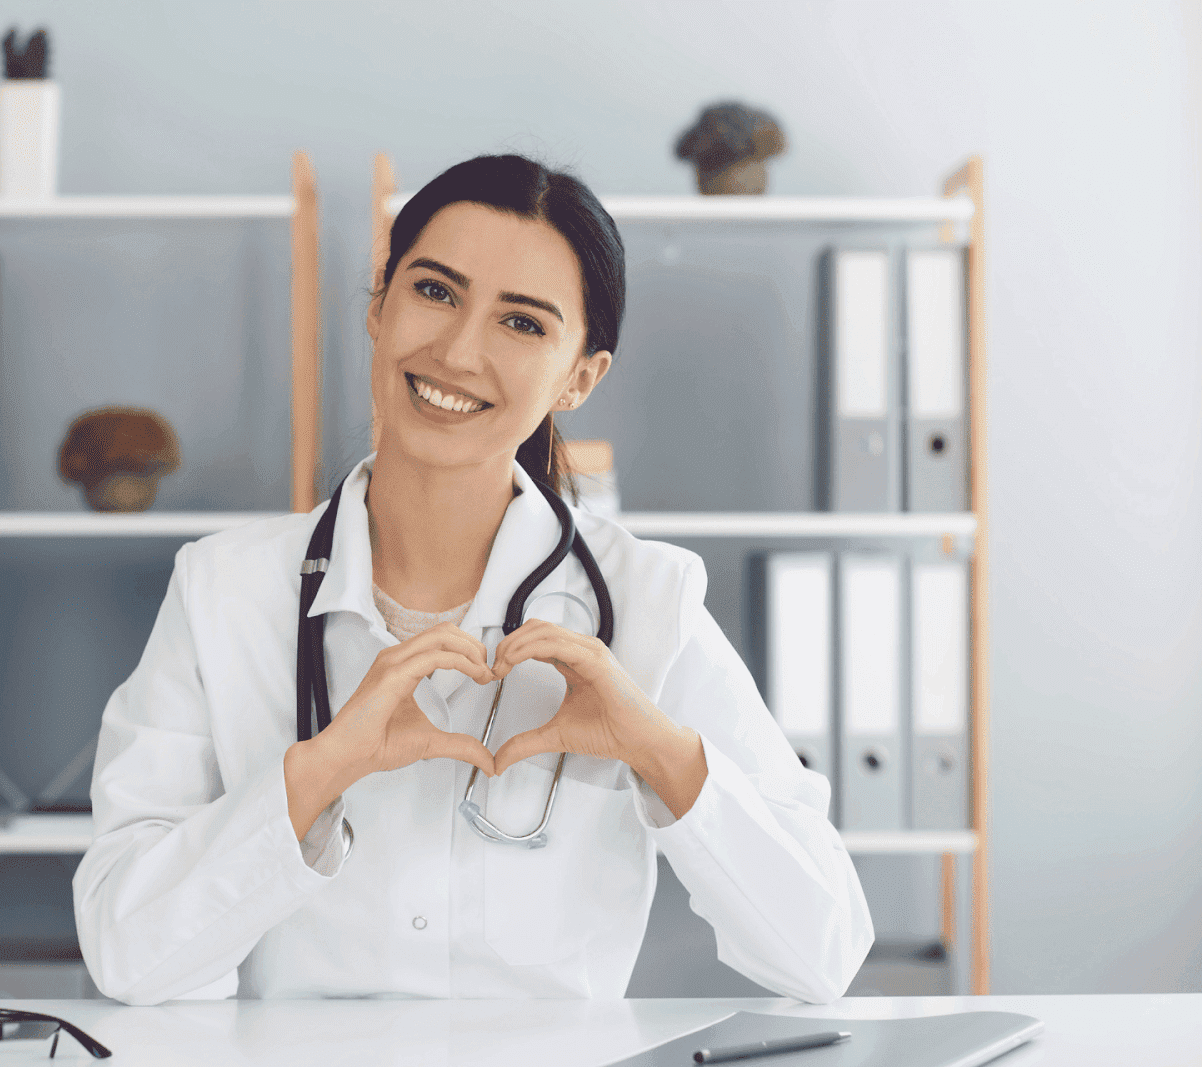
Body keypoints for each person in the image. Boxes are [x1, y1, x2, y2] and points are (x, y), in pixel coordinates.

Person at [73, 154, 873, 1005]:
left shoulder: (647, 600)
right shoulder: (223, 591)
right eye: (435, 291)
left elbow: (823, 953)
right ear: (378, 306)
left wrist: (660, 752)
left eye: (522, 323)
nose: (458, 351)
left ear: (580, 376)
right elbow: (126, 955)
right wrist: (319, 771)